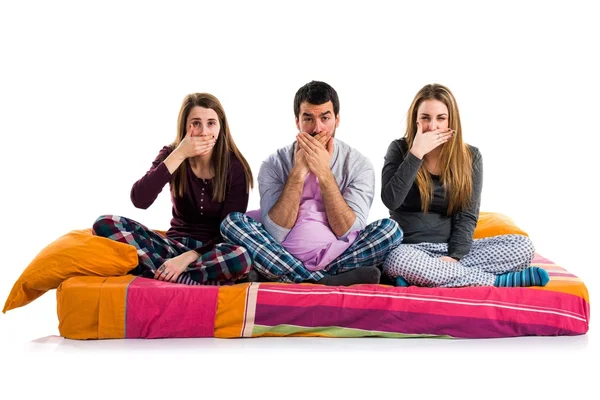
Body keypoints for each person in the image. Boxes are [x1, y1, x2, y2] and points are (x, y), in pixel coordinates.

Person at [221, 80, 402, 286]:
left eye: (325, 118)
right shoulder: (273, 164)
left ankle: (285, 276)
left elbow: (349, 231)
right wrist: (299, 171)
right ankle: (324, 280)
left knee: (391, 230)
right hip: (281, 251)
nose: (318, 128)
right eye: (308, 118)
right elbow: (275, 233)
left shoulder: (359, 165)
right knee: (231, 223)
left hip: (337, 254)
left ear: (337, 120)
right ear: (297, 122)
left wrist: (324, 173)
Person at [381, 83, 549, 288]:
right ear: (416, 119)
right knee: (397, 261)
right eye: (426, 118)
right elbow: (391, 200)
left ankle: (428, 277)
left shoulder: (471, 156)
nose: (432, 126)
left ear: (452, 120)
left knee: (522, 247)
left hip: (451, 251)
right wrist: (416, 154)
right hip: (409, 250)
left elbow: (467, 214)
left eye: (441, 118)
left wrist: (455, 256)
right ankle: (496, 281)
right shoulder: (399, 149)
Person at [92, 93, 254, 285]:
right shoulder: (172, 154)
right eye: (195, 123)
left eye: (211, 123)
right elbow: (140, 200)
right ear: (185, 126)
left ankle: (166, 273)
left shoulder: (235, 167)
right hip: (171, 247)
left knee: (241, 256)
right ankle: (182, 276)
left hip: (209, 253)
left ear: (221, 127)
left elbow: (229, 231)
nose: (203, 131)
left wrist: (186, 259)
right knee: (104, 223)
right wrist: (180, 154)